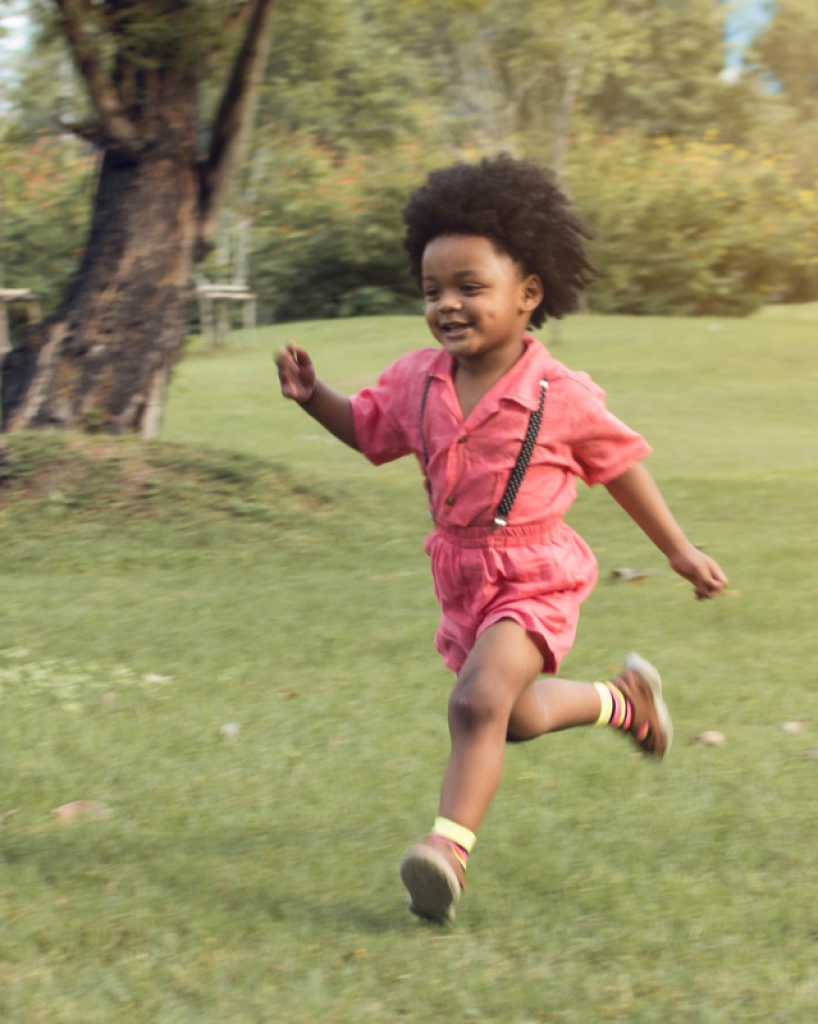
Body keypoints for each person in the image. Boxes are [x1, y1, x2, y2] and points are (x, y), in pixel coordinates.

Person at [274, 154, 728, 925]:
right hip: (461, 577)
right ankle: (624, 703)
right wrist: (315, 398)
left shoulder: (563, 394)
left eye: (469, 288)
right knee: (509, 719)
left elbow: (621, 468)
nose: (447, 305)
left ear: (529, 295)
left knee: (475, 703)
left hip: (536, 573)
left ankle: (445, 851)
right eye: (432, 291)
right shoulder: (417, 379)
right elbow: (371, 433)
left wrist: (678, 552)